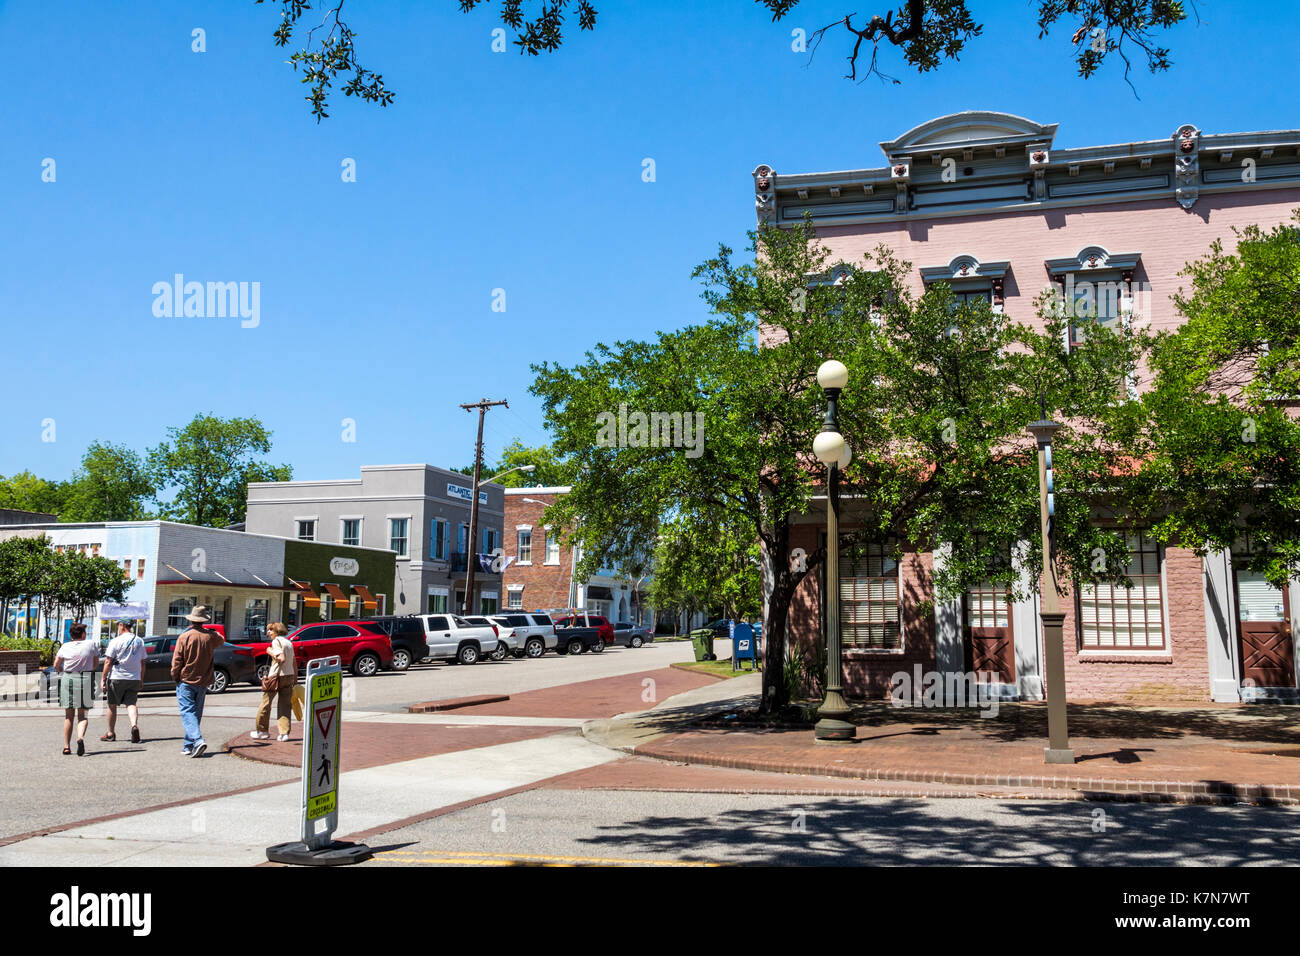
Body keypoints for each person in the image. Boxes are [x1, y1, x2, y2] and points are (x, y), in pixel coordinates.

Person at [169, 606, 224, 757]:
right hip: (204, 679)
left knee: (187, 712)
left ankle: (198, 740)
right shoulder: (210, 637)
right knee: (195, 713)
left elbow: (177, 660)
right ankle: (188, 745)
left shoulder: (184, 637)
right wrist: (212, 631)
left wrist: (175, 676)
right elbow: (221, 639)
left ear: (191, 620)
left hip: (186, 679)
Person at [53, 623, 98, 756]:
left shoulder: (65, 646)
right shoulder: (91, 644)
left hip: (69, 678)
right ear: (83, 634)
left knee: (69, 716)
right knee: (82, 715)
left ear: (71, 635)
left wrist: (61, 671)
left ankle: (66, 746)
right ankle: (80, 738)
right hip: (85, 678)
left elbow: (56, 664)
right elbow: (95, 663)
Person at [101, 620, 146, 743]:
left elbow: (108, 662)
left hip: (117, 677)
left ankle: (111, 733)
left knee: (112, 705)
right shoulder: (139, 641)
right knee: (131, 704)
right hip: (134, 678)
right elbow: (143, 662)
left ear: (122, 626)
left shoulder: (115, 641)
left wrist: (103, 679)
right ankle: (134, 726)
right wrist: (141, 678)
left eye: (118, 625)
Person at [252, 621, 295, 742]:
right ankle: (284, 733)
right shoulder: (289, 642)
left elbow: (281, 658)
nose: (268, 632)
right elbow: (293, 662)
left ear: (277, 631)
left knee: (266, 703)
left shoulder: (276, 641)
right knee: (285, 705)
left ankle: (262, 731)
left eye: (271, 630)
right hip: (289, 675)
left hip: (275, 676)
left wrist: (270, 652)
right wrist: (295, 679)